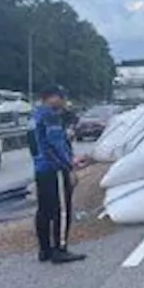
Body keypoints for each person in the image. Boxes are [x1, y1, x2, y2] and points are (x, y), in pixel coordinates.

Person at [28, 85, 86, 264]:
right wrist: (68, 167)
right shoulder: (50, 116)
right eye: (61, 98)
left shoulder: (34, 116)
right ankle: (60, 248)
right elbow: (55, 145)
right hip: (55, 169)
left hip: (41, 169)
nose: (63, 102)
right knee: (61, 210)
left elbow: (36, 144)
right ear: (52, 97)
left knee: (44, 210)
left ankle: (44, 250)